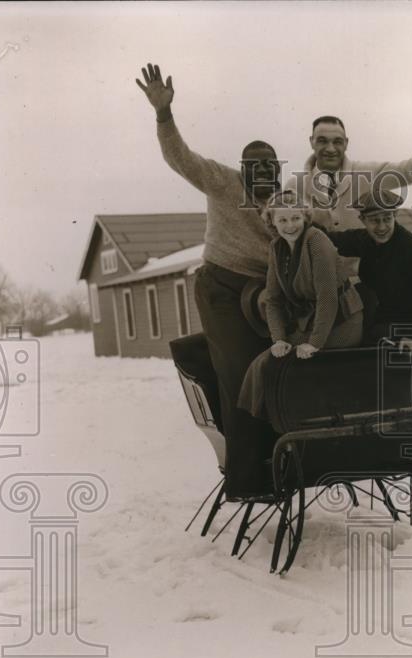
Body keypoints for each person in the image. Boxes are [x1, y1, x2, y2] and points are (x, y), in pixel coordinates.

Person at [135, 62, 280, 499]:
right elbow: (181, 158)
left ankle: (281, 462)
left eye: (269, 165)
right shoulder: (223, 182)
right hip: (221, 287)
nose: (262, 171)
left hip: (264, 295)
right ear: (242, 169)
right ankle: (247, 480)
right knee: (240, 374)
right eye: (253, 165)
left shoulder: (286, 201)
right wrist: (164, 114)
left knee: (276, 371)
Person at [237, 190, 364, 419]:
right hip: (314, 320)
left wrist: (314, 344)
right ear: (272, 221)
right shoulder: (277, 247)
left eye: (295, 218)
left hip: (343, 321)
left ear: (305, 217)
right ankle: (263, 423)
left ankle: (284, 420)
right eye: (283, 220)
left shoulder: (316, 241)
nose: (290, 226)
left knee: (279, 364)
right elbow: (273, 300)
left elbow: (328, 297)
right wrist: (279, 339)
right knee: (267, 360)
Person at [284, 111, 412, 231]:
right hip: (315, 279)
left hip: (362, 277)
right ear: (311, 142)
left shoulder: (367, 174)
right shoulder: (294, 186)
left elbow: (409, 171)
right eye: (322, 141)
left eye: (337, 142)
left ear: (346, 143)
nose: (330, 149)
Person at [322, 191, 412, 354]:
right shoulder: (365, 240)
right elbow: (330, 240)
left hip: (407, 326)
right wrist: (302, 227)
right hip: (379, 321)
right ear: (362, 220)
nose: (381, 227)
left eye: (387, 219)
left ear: (395, 215)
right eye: (374, 220)